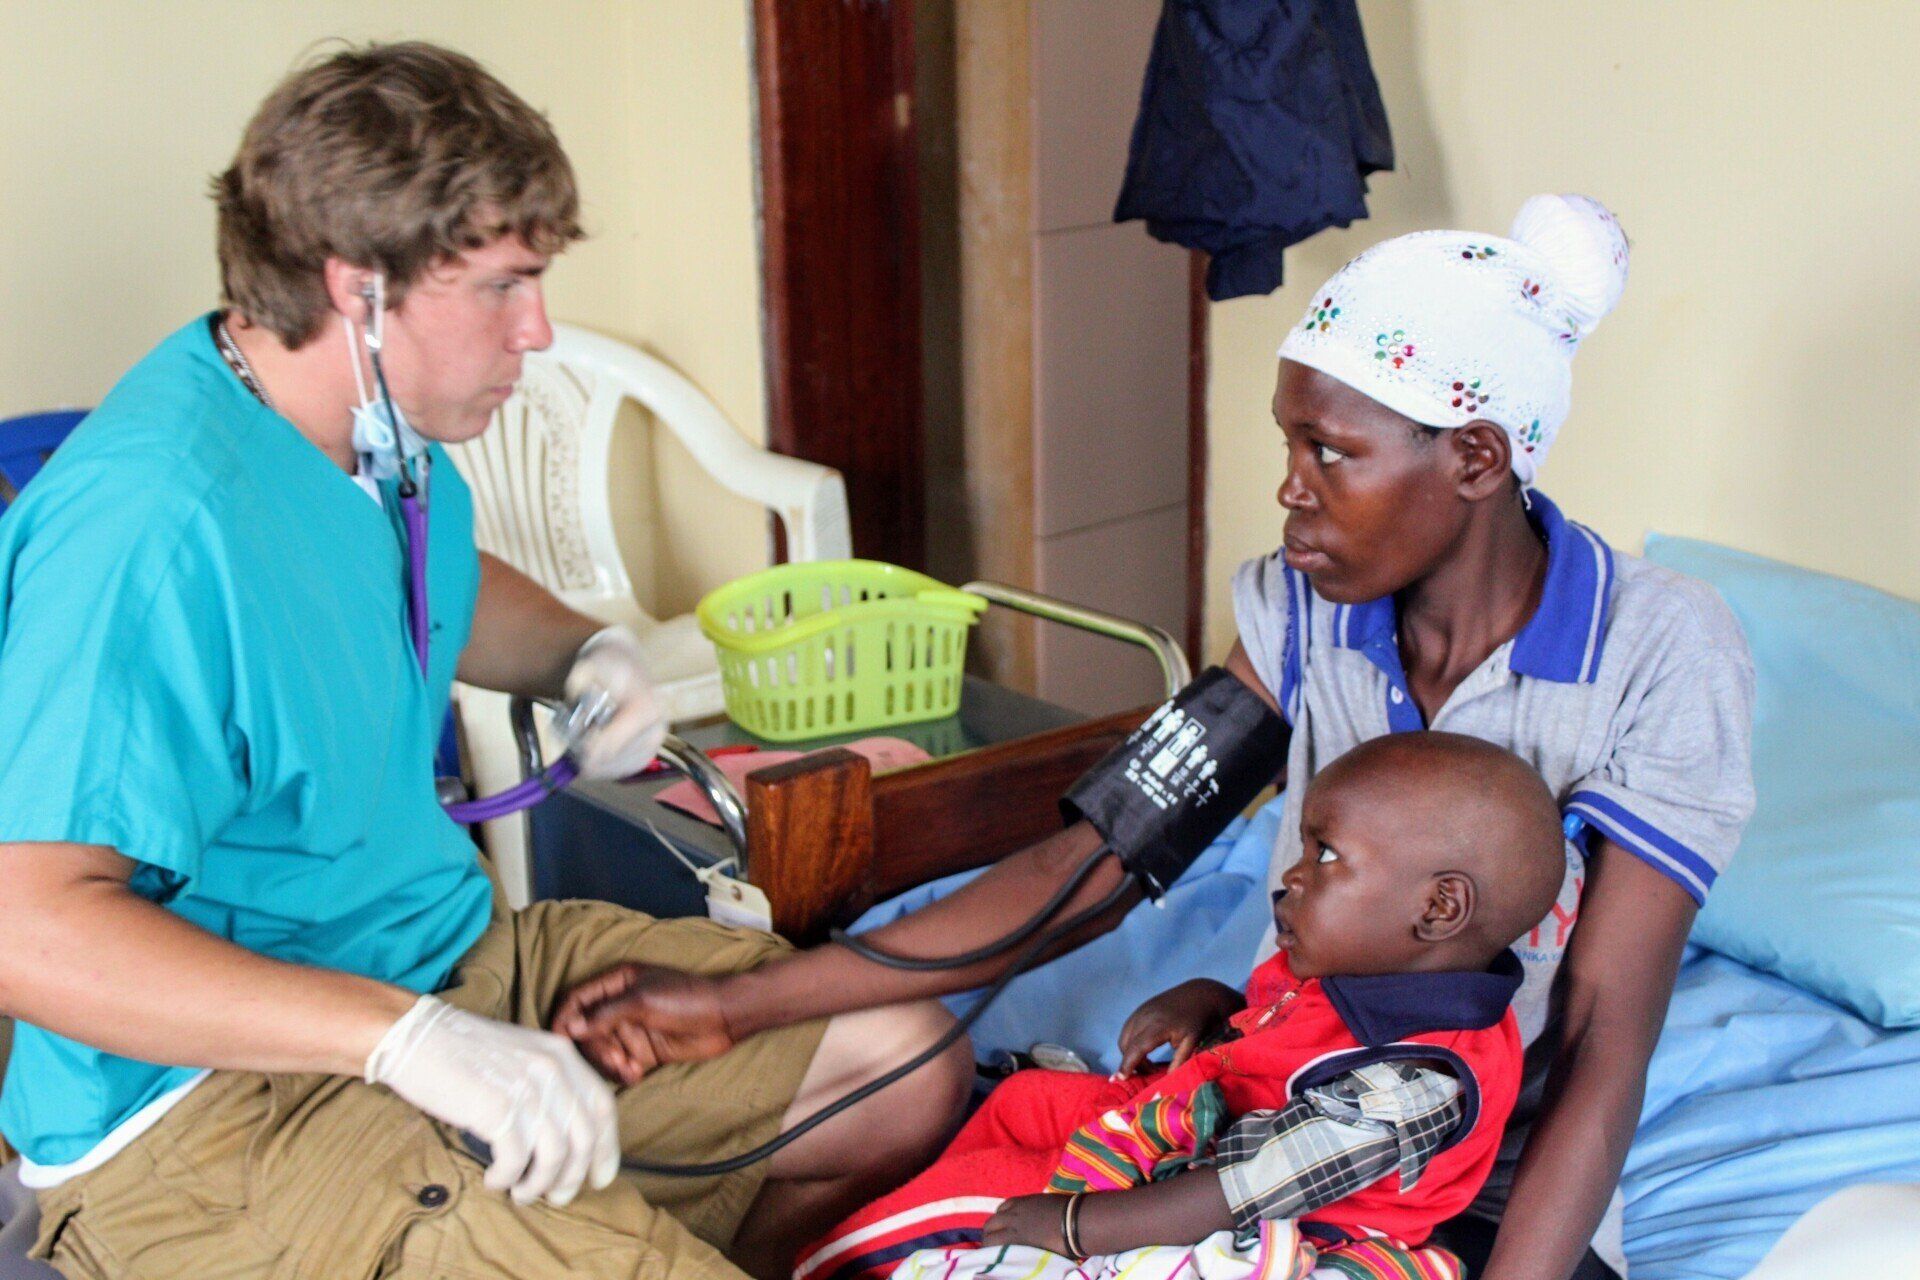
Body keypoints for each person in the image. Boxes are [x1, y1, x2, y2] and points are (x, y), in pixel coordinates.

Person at [561, 194, 1756, 1280]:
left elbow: (1601, 1036)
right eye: (1289, 443)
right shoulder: (1304, 616)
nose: (1289, 489)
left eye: (1330, 452)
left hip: (1490, 1194)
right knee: (938, 1223)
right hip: (1267, 1126)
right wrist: (743, 1007)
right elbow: (1090, 862)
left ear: (1476, 458)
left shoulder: (1658, 655)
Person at [0, 42, 968, 1280]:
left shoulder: (369, 431)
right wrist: (405, 1041)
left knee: (896, 1059)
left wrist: (580, 650)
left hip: (449, 964)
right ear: (357, 291)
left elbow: (425, 568)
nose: (541, 329)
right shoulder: (150, 533)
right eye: (506, 287)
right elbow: (31, 931)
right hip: (208, 1110)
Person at [796, 733, 1566, 1280]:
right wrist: (1218, 1004)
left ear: (1439, 909)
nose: (1290, 879)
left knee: (985, 1202)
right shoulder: (1382, 969)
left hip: (1255, 1225)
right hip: (1199, 1150)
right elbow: (1294, 1038)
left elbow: (1245, 1188)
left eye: (1325, 857)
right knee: (1025, 1099)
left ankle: (836, 1259)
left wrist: (1070, 1227)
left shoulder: (1417, 1088)